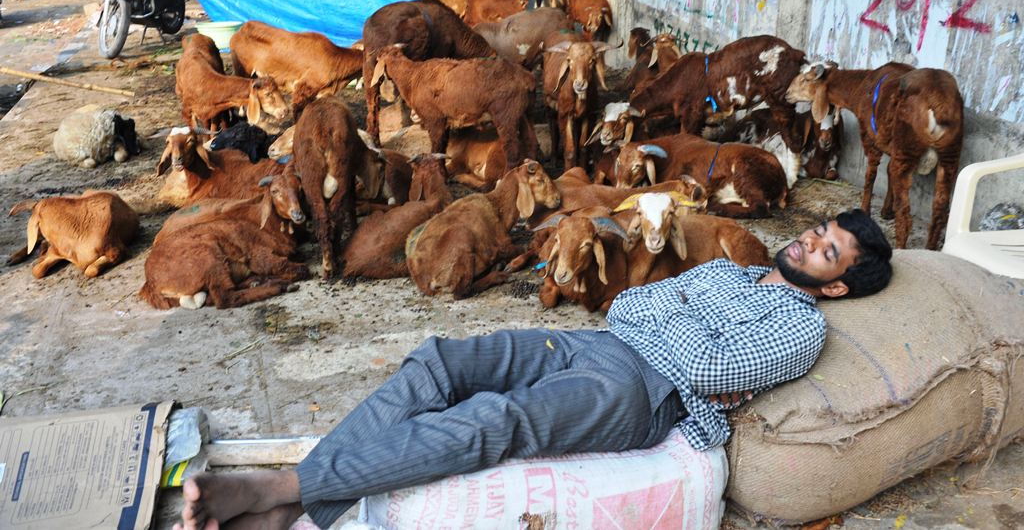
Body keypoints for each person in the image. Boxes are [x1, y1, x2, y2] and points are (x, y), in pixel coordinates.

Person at [175, 209, 893, 530]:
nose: (807, 242)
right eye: (817, 231)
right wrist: (674, 318)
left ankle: (281, 487)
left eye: (825, 252)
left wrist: (670, 320)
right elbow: (627, 302)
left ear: (834, 285)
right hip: (601, 346)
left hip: (641, 394)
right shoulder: (734, 273)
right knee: (441, 362)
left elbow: (702, 368)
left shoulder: (799, 328)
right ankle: (295, 510)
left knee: (497, 420)